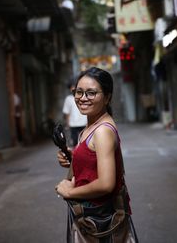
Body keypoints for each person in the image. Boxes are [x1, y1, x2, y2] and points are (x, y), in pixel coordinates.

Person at [55, 67, 138, 242]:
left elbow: (106, 184)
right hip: (89, 216)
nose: (83, 98)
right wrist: (74, 157)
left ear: (107, 97)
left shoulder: (102, 131)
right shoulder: (90, 126)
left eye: (91, 93)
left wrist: (70, 192)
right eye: (79, 92)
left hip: (100, 220)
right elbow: (93, 161)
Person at [62, 78, 87, 146]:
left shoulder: (84, 96)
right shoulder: (68, 99)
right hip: (73, 124)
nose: (73, 88)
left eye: (75, 86)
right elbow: (67, 113)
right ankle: (76, 155)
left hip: (84, 123)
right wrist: (68, 124)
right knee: (75, 141)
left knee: (85, 141)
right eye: (71, 87)